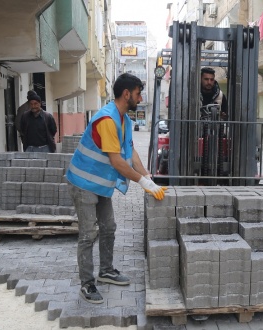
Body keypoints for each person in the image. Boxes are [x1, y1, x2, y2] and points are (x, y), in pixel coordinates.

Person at [66, 73, 167, 304]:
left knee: (109, 226)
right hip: (82, 183)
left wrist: (148, 177)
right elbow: (118, 162)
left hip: (99, 183)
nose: (140, 98)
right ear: (126, 94)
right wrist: (142, 183)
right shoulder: (107, 120)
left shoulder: (125, 120)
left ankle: (106, 270)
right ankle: (87, 283)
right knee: (88, 234)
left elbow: (131, 154)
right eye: (138, 93)